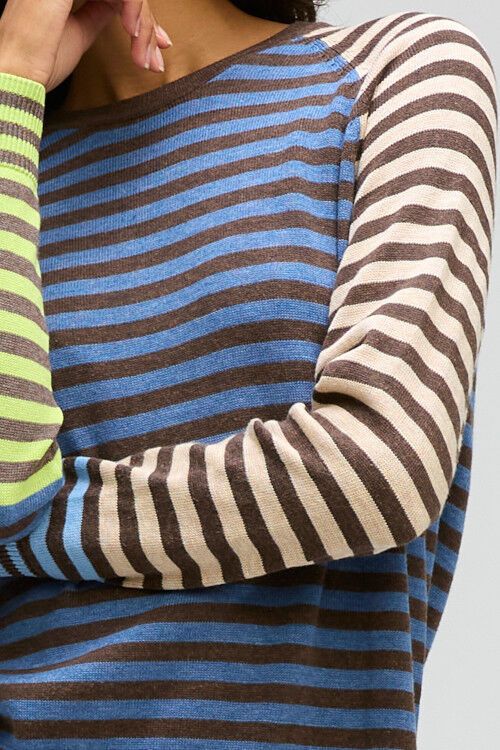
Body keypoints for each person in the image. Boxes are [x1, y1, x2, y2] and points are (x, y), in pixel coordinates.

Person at [0, 0, 496, 747]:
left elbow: (377, 470)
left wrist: (30, 523)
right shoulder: (10, 153)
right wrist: (12, 85)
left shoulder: (393, 72)